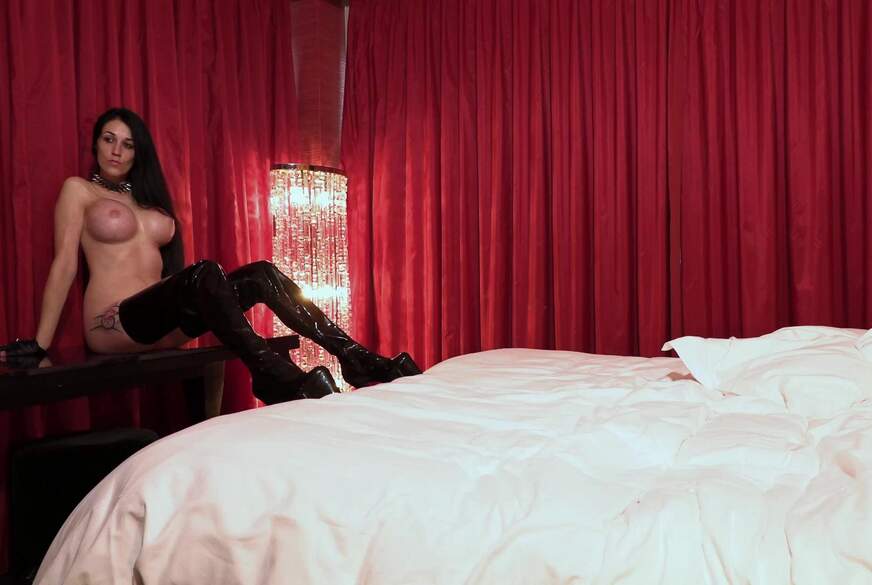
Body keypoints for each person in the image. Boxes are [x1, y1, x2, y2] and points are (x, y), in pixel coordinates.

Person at [0, 108, 420, 404]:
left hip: (165, 325)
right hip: (114, 323)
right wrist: (40, 342)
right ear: (95, 144)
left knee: (261, 274)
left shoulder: (148, 200)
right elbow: (64, 264)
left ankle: (355, 357)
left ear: (137, 152)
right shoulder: (79, 191)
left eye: (127, 144)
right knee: (203, 273)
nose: (116, 151)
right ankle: (272, 372)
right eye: (109, 139)